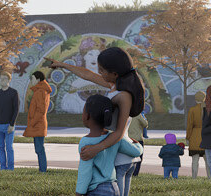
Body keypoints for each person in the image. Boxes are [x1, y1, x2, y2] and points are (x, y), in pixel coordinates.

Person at [57, 45, 146, 196]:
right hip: (118, 151)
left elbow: (118, 133)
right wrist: (62, 65)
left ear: (115, 73)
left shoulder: (124, 96)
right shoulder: (114, 85)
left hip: (120, 157)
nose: (99, 73)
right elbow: (88, 75)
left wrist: (96, 148)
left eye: (102, 70)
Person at [77, 95, 144, 196]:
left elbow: (85, 172)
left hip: (96, 190)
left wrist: (79, 192)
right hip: (114, 188)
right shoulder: (114, 137)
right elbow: (136, 151)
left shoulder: (86, 142)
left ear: (87, 116)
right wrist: (137, 144)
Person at [24, 69, 51, 172]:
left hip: (38, 124)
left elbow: (41, 110)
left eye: (32, 79)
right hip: (38, 123)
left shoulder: (40, 91)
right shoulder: (40, 90)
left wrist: (32, 123)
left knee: (39, 149)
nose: (31, 81)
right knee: (39, 148)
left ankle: (43, 170)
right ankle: (42, 169)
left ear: (38, 79)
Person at [0, 72, 19, 170]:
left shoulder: (13, 92)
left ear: (9, 80)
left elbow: (16, 109)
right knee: (0, 148)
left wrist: (12, 124)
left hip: (8, 125)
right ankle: (3, 168)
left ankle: (10, 168)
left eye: (4, 79)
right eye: (1, 79)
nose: (2, 81)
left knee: (9, 148)